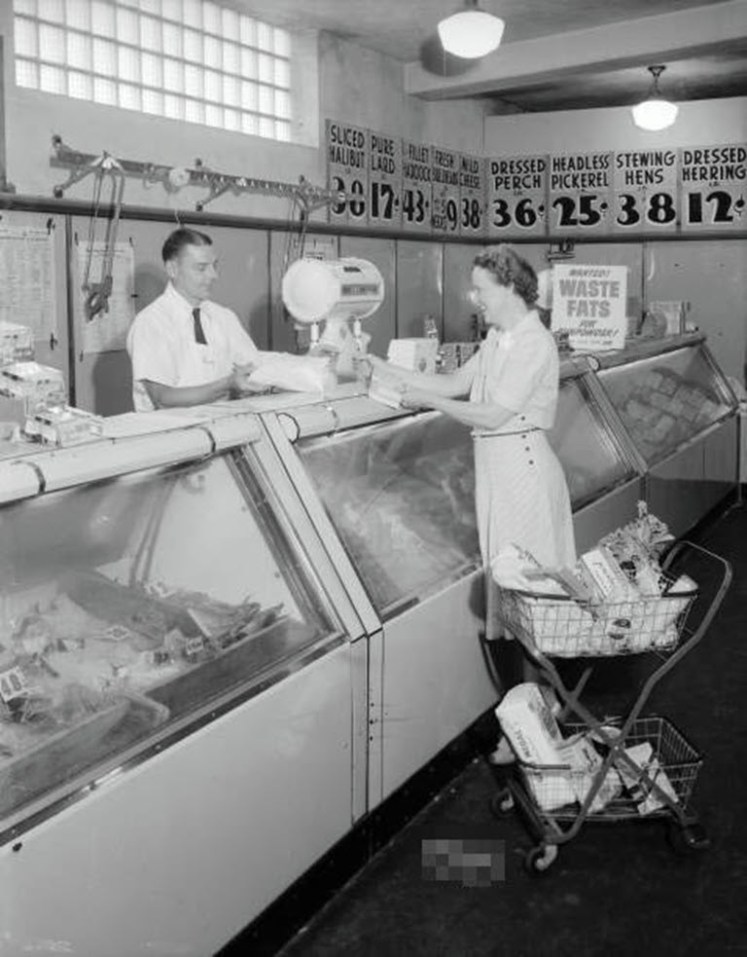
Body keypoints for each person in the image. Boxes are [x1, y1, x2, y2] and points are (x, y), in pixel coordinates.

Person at [365, 244, 576, 763]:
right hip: (498, 475)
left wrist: (428, 403)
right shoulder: (500, 338)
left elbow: (491, 414)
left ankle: (538, 719)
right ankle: (529, 717)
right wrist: (378, 369)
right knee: (510, 599)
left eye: (480, 288)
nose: (474, 298)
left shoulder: (532, 342)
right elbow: (455, 383)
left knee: (526, 601)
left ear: (508, 287)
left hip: (523, 476)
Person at [126, 227, 267, 412]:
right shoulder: (151, 323)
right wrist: (228, 384)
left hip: (226, 432)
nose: (213, 276)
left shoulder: (224, 317)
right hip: (174, 437)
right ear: (172, 269)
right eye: (201, 268)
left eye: (214, 266)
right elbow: (163, 398)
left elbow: (252, 369)